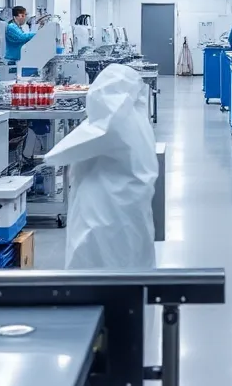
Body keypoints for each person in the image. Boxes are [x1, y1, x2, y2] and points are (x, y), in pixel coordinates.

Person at [43, 64, 158, 269]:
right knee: (131, 265)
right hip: (131, 211)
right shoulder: (136, 120)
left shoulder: (109, 128)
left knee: (97, 265)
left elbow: (59, 154)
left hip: (102, 215)